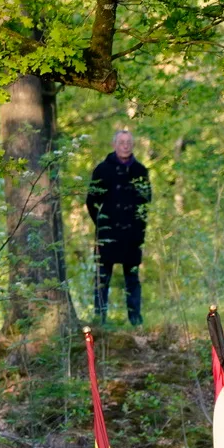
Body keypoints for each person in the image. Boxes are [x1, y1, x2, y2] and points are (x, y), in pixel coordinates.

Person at [87, 128, 151, 326]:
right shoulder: (102, 170)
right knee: (102, 278)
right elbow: (91, 201)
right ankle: (100, 318)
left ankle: (135, 319)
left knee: (132, 279)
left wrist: (139, 228)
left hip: (132, 236)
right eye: (122, 142)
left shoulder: (140, 171)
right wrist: (101, 223)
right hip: (107, 235)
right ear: (114, 145)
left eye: (128, 142)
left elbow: (145, 202)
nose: (125, 145)